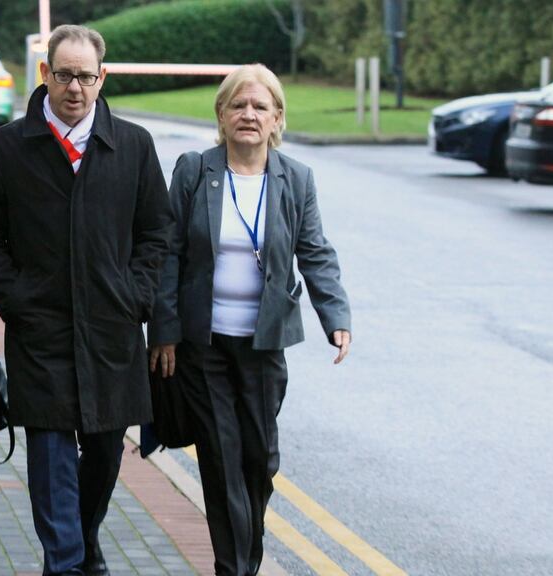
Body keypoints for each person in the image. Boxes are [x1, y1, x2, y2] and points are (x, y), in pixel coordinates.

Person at [0, 24, 172, 576]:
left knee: (104, 455)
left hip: (112, 330)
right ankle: (66, 563)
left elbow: (157, 231)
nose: (75, 87)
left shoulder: (133, 145)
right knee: (52, 458)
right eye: (64, 75)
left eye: (86, 76)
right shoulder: (6, 148)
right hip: (42, 332)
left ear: (101, 79)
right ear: (45, 75)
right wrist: (17, 302)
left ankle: (82, 543)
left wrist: (135, 296)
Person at [148, 64, 351, 576]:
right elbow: (168, 253)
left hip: (264, 345)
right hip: (204, 345)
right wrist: (165, 329)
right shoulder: (195, 170)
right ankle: (233, 568)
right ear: (221, 113)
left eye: (260, 106)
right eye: (238, 105)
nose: (248, 114)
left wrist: (335, 315)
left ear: (277, 117)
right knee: (220, 458)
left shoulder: (295, 179)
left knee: (259, 463)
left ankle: (246, 561)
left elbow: (314, 250)